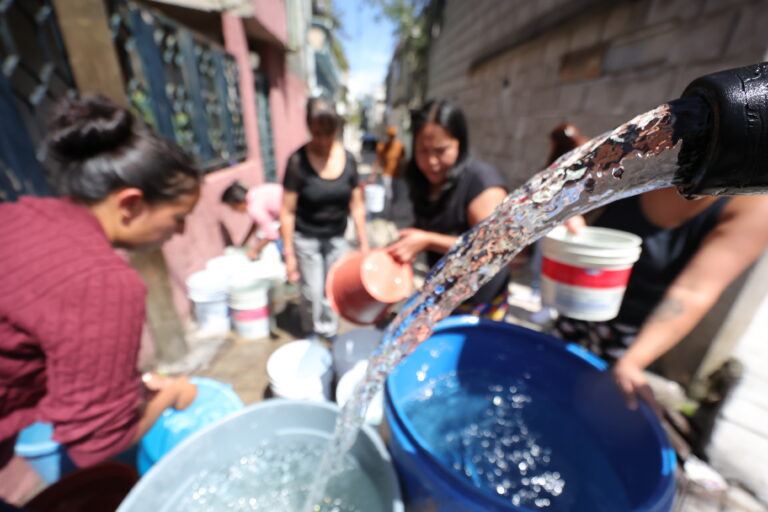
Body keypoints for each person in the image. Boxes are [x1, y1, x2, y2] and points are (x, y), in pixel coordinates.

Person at [0, 95, 200, 487]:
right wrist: (171, 393)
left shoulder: (21, 214)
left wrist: (135, 386)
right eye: (178, 218)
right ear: (130, 204)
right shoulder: (102, 282)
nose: (180, 233)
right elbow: (97, 445)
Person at [555, 186, 768, 410]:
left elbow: (693, 292)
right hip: (574, 304)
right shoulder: (639, 158)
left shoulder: (755, 204)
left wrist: (632, 362)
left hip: (630, 334)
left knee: (591, 402)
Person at [386, 99, 509, 312]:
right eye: (423, 151)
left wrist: (427, 240)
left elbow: (493, 245)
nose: (432, 161)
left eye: (441, 151)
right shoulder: (422, 179)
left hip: (480, 298)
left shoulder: (482, 182)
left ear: (459, 143)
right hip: (443, 290)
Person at [280, 97, 369, 340]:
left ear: (336, 129)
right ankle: (311, 330)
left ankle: (329, 332)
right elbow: (287, 212)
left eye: (328, 132)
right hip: (306, 237)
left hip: (337, 238)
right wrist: (288, 256)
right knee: (311, 291)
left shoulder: (349, 160)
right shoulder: (297, 161)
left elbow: (357, 205)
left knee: (332, 289)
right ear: (309, 127)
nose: (322, 140)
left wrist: (364, 244)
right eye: (317, 132)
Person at [221, 181, 284, 259]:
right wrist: (244, 243)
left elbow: (272, 235)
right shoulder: (255, 192)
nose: (234, 210)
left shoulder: (254, 207)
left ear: (236, 203)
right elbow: (255, 224)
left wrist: (255, 250)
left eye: (232, 207)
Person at [374, 125, 406, 215]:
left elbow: (403, 159)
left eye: (393, 136)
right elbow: (378, 160)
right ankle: (389, 212)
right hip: (386, 174)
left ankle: (393, 210)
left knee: (396, 194)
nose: (391, 138)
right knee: (388, 194)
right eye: (390, 135)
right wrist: (373, 174)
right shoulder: (383, 147)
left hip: (397, 174)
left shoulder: (399, 146)